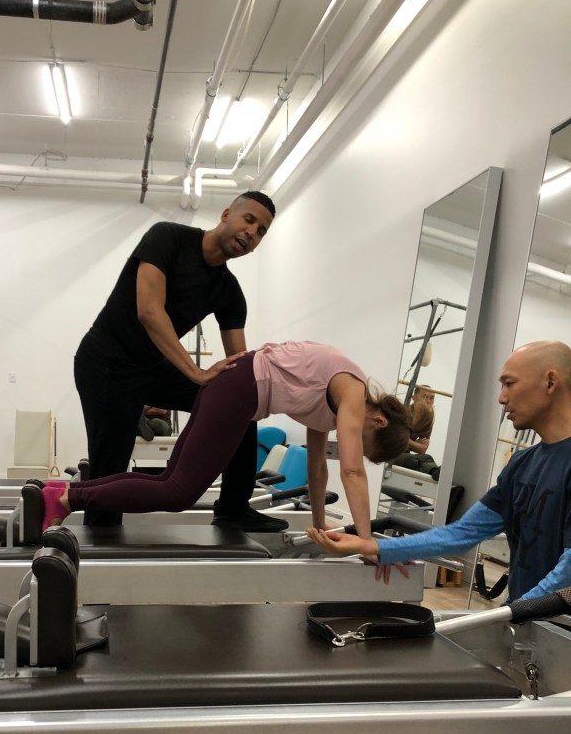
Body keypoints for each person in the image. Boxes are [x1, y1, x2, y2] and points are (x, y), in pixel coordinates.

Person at [73, 191, 286, 532]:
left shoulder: (229, 292)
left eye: (261, 231)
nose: (251, 232)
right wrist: (196, 373)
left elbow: (242, 367)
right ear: (227, 214)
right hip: (105, 364)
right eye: (249, 220)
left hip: (150, 368)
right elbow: (149, 311)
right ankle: (97, 543)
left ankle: (233, 507)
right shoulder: (168, 237)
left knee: (241, 405)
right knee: (109, 468)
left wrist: (261, 396)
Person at [44, 341, 412, 536]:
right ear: (378, 421)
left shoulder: (336, 404)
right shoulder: (352, 389)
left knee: (169, 482)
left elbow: (318, 467)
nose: (353, 448)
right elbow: (352, 472)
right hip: (240, 388)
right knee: (177, 493)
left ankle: (60, 493)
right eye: (364, 444)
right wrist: (368, 542)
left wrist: (318, 522)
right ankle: (67, 498)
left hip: (239, 389)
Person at [308, 340, 571, 603]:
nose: (502, 398)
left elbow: (568, 570)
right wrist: (373, 546)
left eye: (509, 383)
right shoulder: (521, 464)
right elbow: (461, 534)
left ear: (550, 382)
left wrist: (514, 614)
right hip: (526, 619)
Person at [392, 384, 441, 479]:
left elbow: (422, 449)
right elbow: (398, 439)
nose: (428, 401)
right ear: (414, 398)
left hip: (405, 454)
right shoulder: (402, 412)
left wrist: (408, 442)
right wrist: (413, 444)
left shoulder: (427, 420)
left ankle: (436, 473)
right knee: (411, 459)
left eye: (432, 398)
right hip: (391, 453)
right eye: (424, 397)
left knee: (427, 457)